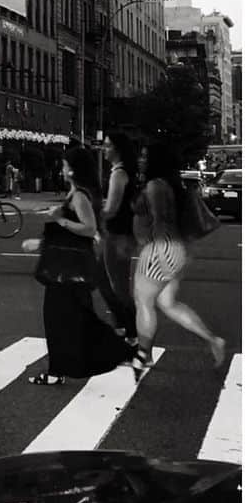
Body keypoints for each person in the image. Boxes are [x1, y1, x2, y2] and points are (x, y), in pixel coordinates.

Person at [21, 146, 133, 386]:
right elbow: (68, 240)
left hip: (68, 272)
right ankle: (60, 369)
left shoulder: (79, 196)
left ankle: (123, 352)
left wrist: (59, 218)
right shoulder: (77, 194)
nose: (61, 169)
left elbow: (88, 228)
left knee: (65, 321)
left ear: (72, 170)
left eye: (63, 165)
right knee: (71, 321)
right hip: (70, 269)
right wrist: (41, 243)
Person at [129, 142, 226, 380]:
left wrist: (161, 255)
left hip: (159, 249)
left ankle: (143, 354)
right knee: (168, 303)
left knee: (142, 302)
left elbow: (161, 222)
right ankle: (213, 340)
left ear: (156, 161)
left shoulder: (155, 186)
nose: (141, 160)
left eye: (144, 156)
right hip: (175, 249)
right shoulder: (172, 186)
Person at [98, 131, 139, 344]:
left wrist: (92, 215)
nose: (104, 149)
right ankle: (122, 324)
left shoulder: (119, 174)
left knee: (119, 285)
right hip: (120, 233)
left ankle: (130, 332)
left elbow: (112, 208)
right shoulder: (122, 171)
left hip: (117, 234)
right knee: (101, 276)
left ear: (118, 150)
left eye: (107, 146)